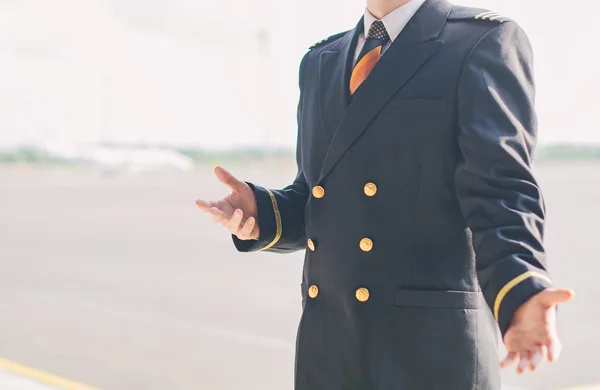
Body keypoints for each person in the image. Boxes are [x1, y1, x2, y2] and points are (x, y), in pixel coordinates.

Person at [196, 0, 575, 388]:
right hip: (329, 349)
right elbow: (317, 196)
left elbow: (500, 190)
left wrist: (522, 291)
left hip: (428, 351)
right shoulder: (319, 61)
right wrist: (262, 212)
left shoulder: (479, 43)